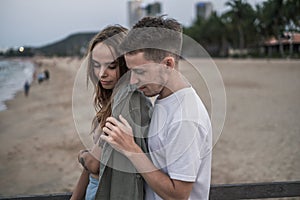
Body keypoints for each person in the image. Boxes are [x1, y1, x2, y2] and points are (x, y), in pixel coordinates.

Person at [100, 16, 212, 200]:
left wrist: (130, 148)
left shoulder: (185, 119)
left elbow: (179, 195)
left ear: (168, 64)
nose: (133, 82)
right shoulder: (164, 99)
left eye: (140, 72)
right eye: (131, 71)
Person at [70, 25, 152, 200]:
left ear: (126, 64)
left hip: (104, 190)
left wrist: (81, 155)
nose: (101, 74)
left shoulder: (127, 101)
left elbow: (93, 164)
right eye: (96, 65)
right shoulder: (114, 99)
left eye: (111, 66)